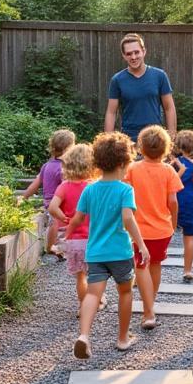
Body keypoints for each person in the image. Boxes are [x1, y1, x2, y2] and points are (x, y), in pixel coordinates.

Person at [67, 132, 151, 358]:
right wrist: (141, 244)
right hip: (120, 252)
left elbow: (77, 218)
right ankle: (123, 339)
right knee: (125, 292)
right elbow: (127, 218)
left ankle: (84, 335)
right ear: (124, 163)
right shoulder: (125, 190)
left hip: (95, 253)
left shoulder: (90, 189)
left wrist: (68, 233)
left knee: (93, 294)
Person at [124, 125, 182, 330]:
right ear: (166, 148)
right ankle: (150, 305)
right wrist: (173, 223)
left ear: (141, 147)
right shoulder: (168, 171)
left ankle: (148, 312)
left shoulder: (132, 169)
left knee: (140, 266)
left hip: (138, 230)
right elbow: (173, 202)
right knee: (155, 264)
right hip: (162, 229)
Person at [48, 143, 96, 312]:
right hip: (93, 239)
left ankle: (83, 307)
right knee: (96, 276)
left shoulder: (64, 186)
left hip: (73, 241)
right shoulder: (93, 187)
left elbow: (52, 207)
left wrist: (64, 218)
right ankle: (95, 301)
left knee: (80, 277)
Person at [104, 33, 176, 141]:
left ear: (144, 51)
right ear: (123, 56)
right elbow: (111, 112)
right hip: (129, 141)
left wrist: (172, 137)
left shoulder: (160, 76)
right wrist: (108, 141)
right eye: (128, 54)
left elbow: (169, 108)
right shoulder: (117, 80)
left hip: (155, 139)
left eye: (136, 52)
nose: (133, 57)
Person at [19, 129, 76, 255]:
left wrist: (24, 196)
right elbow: (67, 187)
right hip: (57, 202)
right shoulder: (63, 168)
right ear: (67, 149)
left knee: (56, 223)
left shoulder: (47, 165)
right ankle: (50, 247)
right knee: (55, 223)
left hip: (49, 201)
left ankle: (59, 246)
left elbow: (36, 183)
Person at [171, 130, 193, 282]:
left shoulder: (174, 164)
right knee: (189, 237)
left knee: (163, 234)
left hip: (173, 202)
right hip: (191, 203)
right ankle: (187, 270)